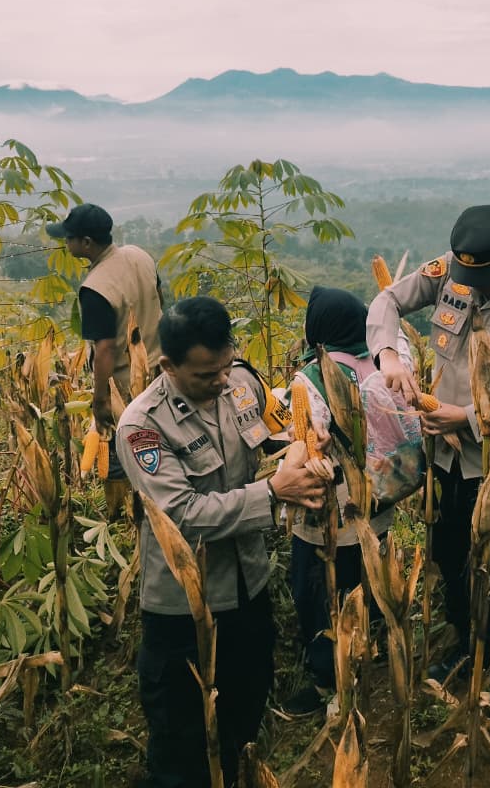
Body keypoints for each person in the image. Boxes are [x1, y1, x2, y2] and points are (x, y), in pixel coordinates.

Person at [117, 296, 327, 788]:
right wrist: (274, 491)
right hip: (184, 610)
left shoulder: (241, 382)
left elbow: (273, 429)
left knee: (243, 718)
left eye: (224, 367)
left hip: (248, 591)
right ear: (167, 365)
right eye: (205, 375)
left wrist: (307, 438)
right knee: (182, 745)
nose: (219, 383)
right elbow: (185, 515)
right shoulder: (142, 426)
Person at [367, 204, 490, 727]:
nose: (469, 286)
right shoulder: (447, 272)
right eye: (463, 275)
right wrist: (387, 354)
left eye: (482, 276)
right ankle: (462, 636)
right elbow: (388, 300)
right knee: (450, 552)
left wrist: (469, 417)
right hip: (445, 461)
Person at [281, 286, 397, 717]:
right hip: (379, 504)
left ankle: (328, 679)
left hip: (331, 514)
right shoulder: (381, 361)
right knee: (368, 586)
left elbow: (308, 438)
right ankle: (373, 652)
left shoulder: (311, 377)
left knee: (320, 595)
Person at [47, 203, 163, 519]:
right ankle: (155, 505)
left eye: (69, 238)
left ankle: (122, 518)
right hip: (160, 372)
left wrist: (100, 401)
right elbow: (159, 302)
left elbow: (106, 350)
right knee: (157, 450)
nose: (65, 243)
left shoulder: (95, 288)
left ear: (86, 243)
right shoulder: (139, 256)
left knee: (118, 453)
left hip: (125, 387)